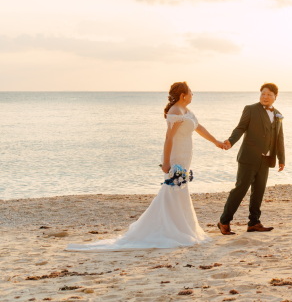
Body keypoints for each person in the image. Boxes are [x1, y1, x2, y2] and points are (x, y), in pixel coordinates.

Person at [67, 82, 227, 251]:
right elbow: (169, 138)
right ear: (183, 95)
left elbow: (199, 128)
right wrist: (166, 162)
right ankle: (167, 228)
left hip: (186, 155)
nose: (193, 95)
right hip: (176, 156)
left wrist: (216, 142)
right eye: (191, 92)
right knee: (172, 190)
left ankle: (181, 227)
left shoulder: (186, 111)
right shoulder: (175, 112)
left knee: (180, 190)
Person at [218, 83, 285, 235]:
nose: (265, 97)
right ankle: (224, 221)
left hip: (266, 159)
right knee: (240, 190)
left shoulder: (278, 115)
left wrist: (281, 158)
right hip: (248, 158)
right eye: (263, 94)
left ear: (275, 96)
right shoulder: (250, 109)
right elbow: (241, 127)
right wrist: (230, 141)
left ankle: (254, 223)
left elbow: (279, 138)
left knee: (259, 191)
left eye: (269, 94)